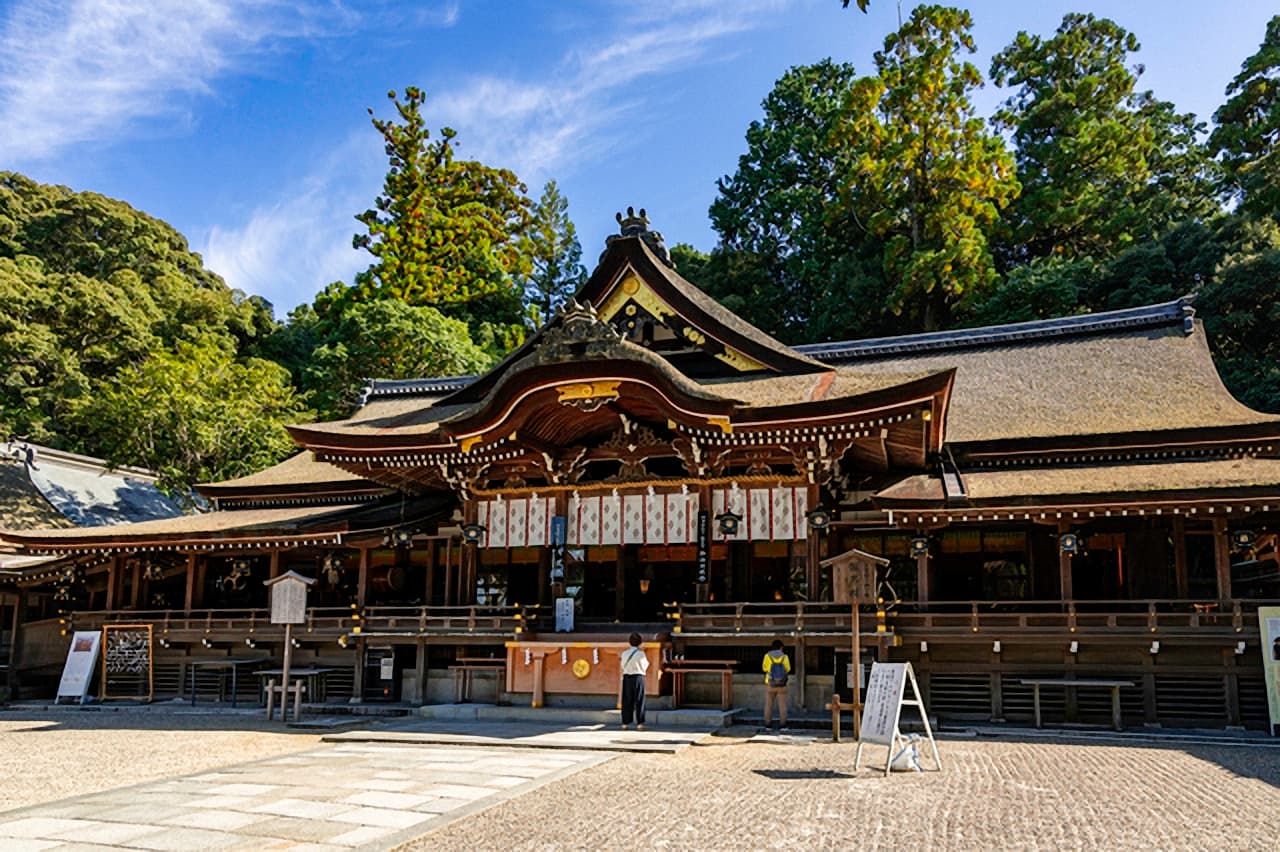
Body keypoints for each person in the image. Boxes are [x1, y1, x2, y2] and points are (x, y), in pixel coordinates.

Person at [620, 632, 649, 730]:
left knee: (627, 700)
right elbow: (645, 665)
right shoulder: (641, 654)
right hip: (638, 676)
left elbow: (622, 665)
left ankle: (625, 723)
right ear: (640, 642)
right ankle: (640, 723)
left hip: (627, 677)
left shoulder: (624, 653)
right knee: (639, 700)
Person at [762, 639, 791, 731]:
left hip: (770, 683)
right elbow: (788, 668)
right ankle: (783, 725)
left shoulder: (767, 656)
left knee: (768, 705)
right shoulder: (784, 657)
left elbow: (764, 668)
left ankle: (768, 725)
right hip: (782, 684)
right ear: (781, 647)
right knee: (782, 705)